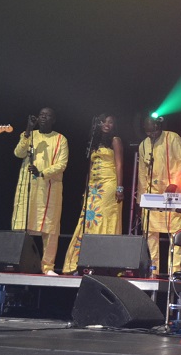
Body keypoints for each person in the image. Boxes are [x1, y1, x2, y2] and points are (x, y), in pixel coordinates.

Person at [62, 114, 124, 275]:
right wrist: (85, 189)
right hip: (93, 186)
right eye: (104, 121)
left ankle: (105, 262)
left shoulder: (115, 140)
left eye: (111, 122)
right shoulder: (93, 143)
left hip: (109, 183)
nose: (107, 124)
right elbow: (89, 169)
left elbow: (119, 164)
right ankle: (81, 261)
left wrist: (120, 187)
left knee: (104, 217)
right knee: (88, 220)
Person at [11, 108, 68, 276]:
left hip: (50, 187)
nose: (43, 117)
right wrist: (28, 130)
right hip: (28, 186)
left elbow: (62, 164)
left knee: (50, 227)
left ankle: (48, 267)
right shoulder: (30, 135)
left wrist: (42, 172)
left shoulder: (60, 139)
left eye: (48, 115)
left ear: (54, 119)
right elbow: (18, 153)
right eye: (41, 115)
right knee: (21, 224)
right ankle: (16, 262)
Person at [138, 116, 181, 276]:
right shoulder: (143, 145)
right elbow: (141, 174)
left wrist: (174, 182)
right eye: (147, 131)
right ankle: (154, 270)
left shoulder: (172, 137)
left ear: (158, 126)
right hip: (153, 195)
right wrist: (141, 200)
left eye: (153, 130)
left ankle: (174, 271)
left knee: (176, 233)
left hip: (173, 193)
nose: (151, 133)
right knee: (151, 233)